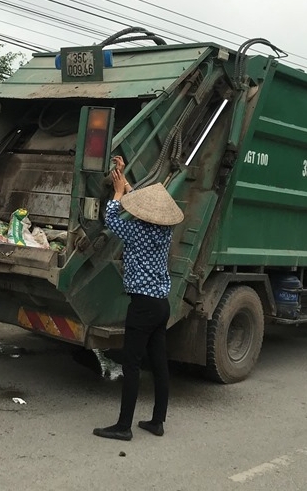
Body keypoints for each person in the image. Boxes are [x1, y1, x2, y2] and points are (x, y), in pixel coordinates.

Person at [93, 156, 183, 441]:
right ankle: (157, 421)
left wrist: (117, 193)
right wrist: (123, 178)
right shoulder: (164, 231)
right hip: (160, 305)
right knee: (158, 363)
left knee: (131, 365)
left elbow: (111, 217)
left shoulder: (134, 231)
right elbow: (139, 205)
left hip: (142, 306)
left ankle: (123, 427)